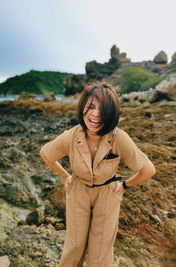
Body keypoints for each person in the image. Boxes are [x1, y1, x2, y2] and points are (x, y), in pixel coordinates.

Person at [40, 81, 156, 267]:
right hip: (78, 190)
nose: (95, 114)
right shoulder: (71, 135)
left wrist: (125, 185)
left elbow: (148, 170)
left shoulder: (119, 138)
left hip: (108, 194)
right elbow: (46, 153)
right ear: (83, 108)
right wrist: (66, 176)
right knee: (74, 246)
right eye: (91, 107)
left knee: (100, 252)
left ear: (111, 113)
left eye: (103, 109)